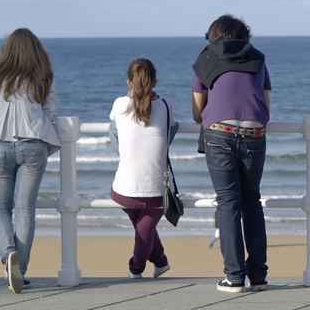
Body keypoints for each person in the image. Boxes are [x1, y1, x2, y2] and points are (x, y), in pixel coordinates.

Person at [0, 28, 60, 293]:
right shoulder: (42, 78)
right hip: (32, 146)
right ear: (35, 50)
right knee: (25, 209)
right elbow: (50, 113)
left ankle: (8, 255)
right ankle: (19, 269)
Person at [191, 15, 271, 293]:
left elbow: (197, 108)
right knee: (252, 202)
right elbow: (266, 103)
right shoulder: (258, 58)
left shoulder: (206, 58)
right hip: (254, 133)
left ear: (214, 36)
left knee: (228, 203)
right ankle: (258, 275)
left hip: (220, 134)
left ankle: (234, 277)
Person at [109, 58, 175, 279]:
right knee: (144, 229)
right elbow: (169, 135)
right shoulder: (166, 106)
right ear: (155, 81)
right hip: (155, 187)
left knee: (143, 229)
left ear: (129, 82)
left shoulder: (119, 104)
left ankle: (146, 266)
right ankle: (146, 266)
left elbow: (114, 135)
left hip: (124, 186)